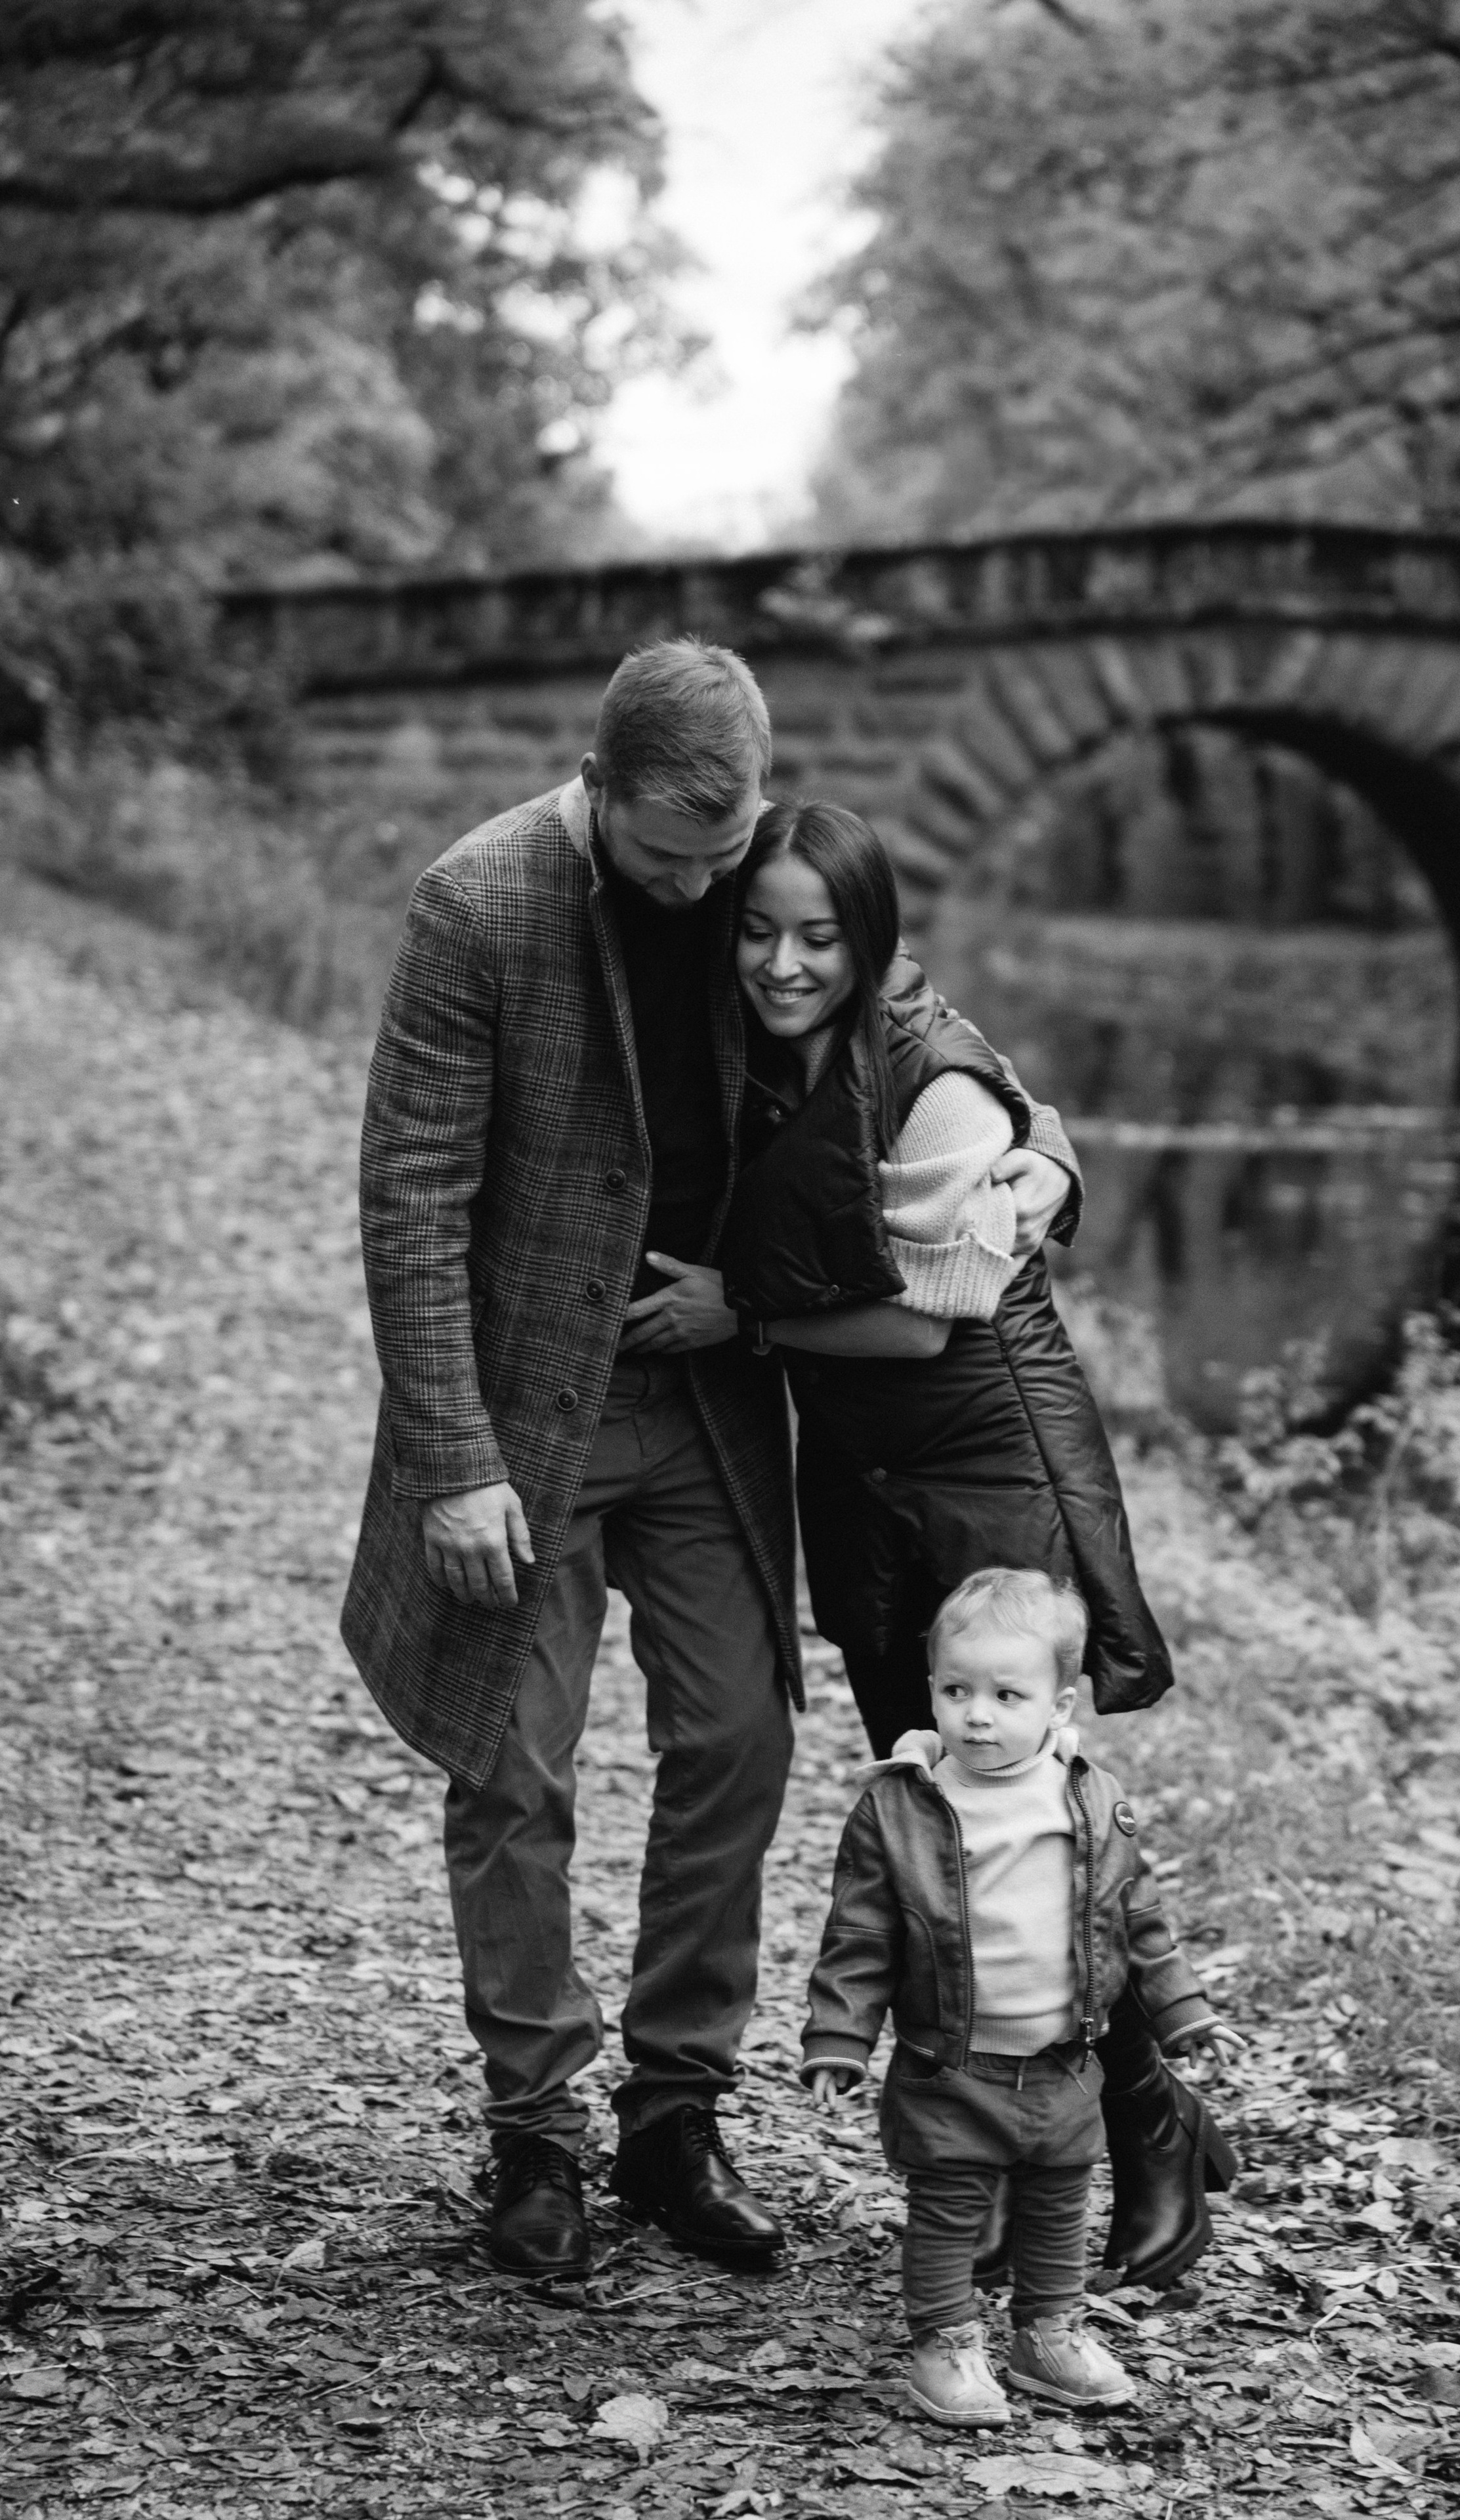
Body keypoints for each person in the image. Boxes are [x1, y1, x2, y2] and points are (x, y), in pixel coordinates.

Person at [340, 644, 1079, 2281]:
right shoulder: (481, 906)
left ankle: (675, 2114)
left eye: (721, 852)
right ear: (594, 790)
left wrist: (1038, 1158)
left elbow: (939, 1039)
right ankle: (533, 2125)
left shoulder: (764, 871)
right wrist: (453, 1457)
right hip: (526, 1416)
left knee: (740, 1740)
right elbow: (409, 1194)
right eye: (667, 855)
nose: (701, 889)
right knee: (511, 1769)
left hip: (710, 1398)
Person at [628, 800, 1239, 2291]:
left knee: (1030, 1805)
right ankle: (991, 2137)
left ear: (873, 940)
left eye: (818, 938)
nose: (782, 963)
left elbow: (932, 1310)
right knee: (937, 1806)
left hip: (977, 1451)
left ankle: (1152, 2127)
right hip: (854, 1463)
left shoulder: (934, 1074)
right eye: (758, 930)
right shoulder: (742, 1034)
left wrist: (742, 1315)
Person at [799, 1568, 1243, 2426]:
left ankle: (1048, 2332)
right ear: (930, 1690)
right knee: (950, 2213)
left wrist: (1186, 2012)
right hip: (950, 2064)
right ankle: (944, 2343)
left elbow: (1139, 1918)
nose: (978, 1714)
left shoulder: (1089, 1800)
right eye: (956, 1690)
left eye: (1008, 1694)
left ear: (1060, 1706)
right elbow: (859, 1937)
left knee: (1056, 2206)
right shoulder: (902, 1807)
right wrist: (839, 2039)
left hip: (1064, 2062)